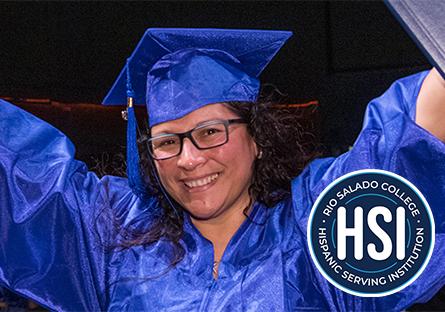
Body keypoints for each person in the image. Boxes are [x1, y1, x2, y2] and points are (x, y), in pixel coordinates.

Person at [0, 28, 445, 311]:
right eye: (167, 141)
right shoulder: (118, 236)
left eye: (210, 132)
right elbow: (25, 177)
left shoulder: (315, 228)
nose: (189, 159)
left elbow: (409, 145)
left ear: (256, 138)